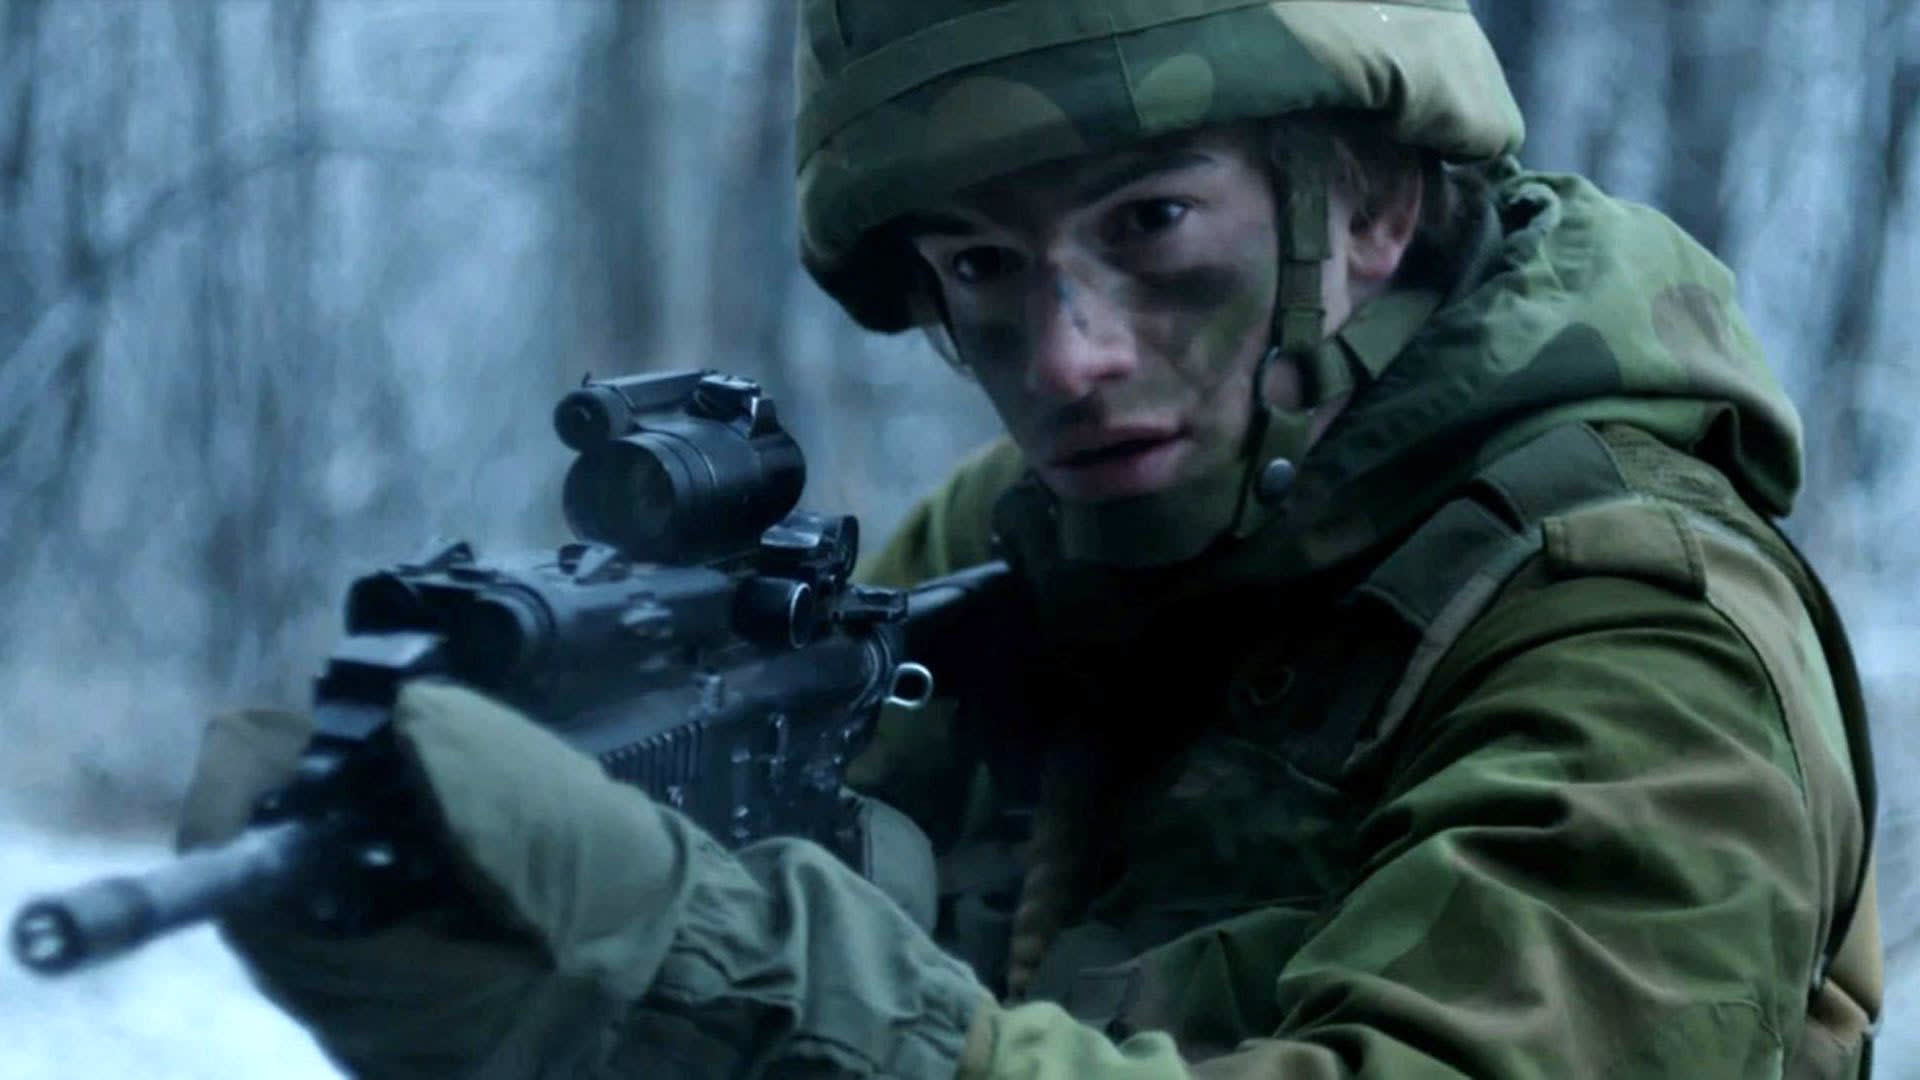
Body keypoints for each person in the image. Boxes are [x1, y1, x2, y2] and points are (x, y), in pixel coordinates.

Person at [179, 2, 1882, 1076]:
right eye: (982, 267)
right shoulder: (1030, 552)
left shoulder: (1632, 633)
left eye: (1153, 224)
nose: (1065, 358)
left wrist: (750, 970)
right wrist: (494, 958)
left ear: (1365, 202)